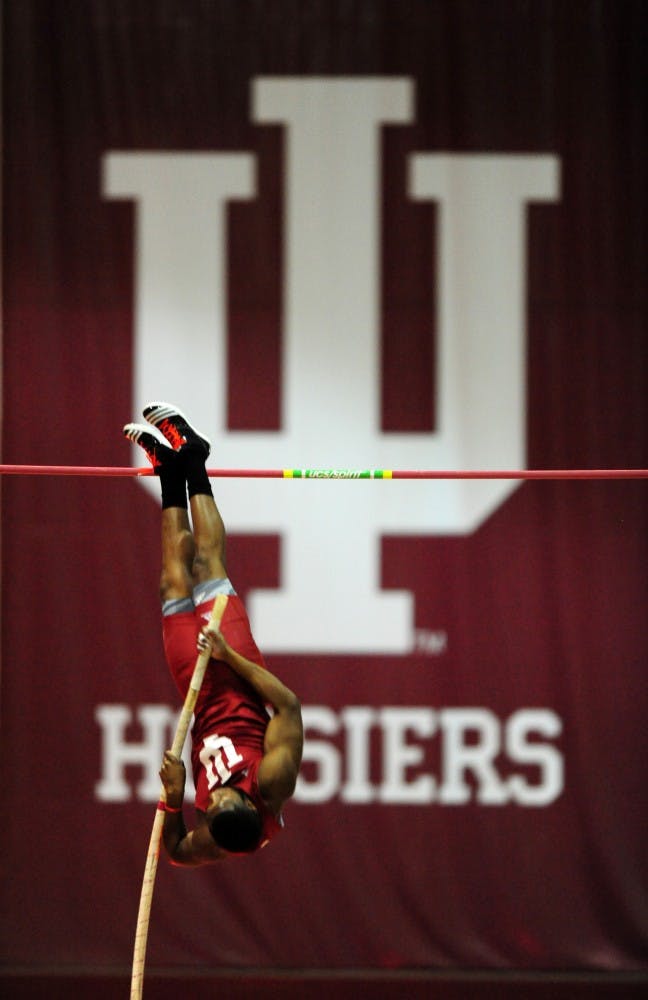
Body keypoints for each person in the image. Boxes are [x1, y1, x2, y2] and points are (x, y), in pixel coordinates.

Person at [124, 402, 303, 864]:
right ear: (249, 802)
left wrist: (174, 796)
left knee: (173, 585)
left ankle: (168, 473)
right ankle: (195, 460)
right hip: (234, 668)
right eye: (227, 795)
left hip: (198, 695)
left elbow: (180, 852)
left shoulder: (220, 831)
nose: (218, 792)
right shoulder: (273, 785)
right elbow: (288, 704)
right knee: (207, 569)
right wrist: (228, 654)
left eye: (213, 801)